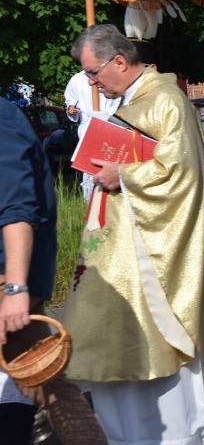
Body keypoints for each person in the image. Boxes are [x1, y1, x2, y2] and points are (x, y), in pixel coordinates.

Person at [63, 24, 204, 444]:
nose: (90, 81)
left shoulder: (167, 100)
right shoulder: (131, 102)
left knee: (157, 341)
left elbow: (183, 174)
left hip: (152, 256)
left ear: (120, 61)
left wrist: (125, 173)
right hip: (117, 247)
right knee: (108, 334)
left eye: (93, 71)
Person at [0, 97, 107, 445]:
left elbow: (17, 208)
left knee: (48, 386)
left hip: (5, 278)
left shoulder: (2, 118)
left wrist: (15, 288)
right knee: (46, 386)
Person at [64, 70, 121, 201]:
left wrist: (104, 116)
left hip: (108, 125)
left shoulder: (109, 75)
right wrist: (71, 109)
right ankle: (90, 199)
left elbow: (117, 100)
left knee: (108, 158)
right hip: (86, 127)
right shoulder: (76, 79)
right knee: (90, 166)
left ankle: (110, 198)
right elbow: (70, 100)